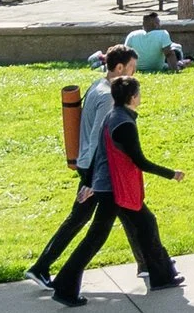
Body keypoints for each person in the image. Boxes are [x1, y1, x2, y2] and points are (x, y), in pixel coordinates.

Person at [50, 73, 184, 304]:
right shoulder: (124, 123)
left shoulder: (113, 116)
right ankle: (64, 287)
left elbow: (98, 153)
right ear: (133, 97)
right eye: (139, 93)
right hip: (114, 189)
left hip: (109, 186)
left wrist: (90, 183)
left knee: (145, 223)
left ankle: (162, 276)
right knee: (96, 238)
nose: (140, 96)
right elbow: (139, 161)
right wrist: (172, 174)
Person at [26, 45, 138, 291]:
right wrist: (92, 180)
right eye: (132, 69)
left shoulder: (98, 86)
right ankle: (41, 268)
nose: (134, 75)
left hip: (90, 165)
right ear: (119, 68)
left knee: (122, 216)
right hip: (94, 168)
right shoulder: (109, 97)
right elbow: (101, 136)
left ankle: (151, 263)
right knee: (84, 219)